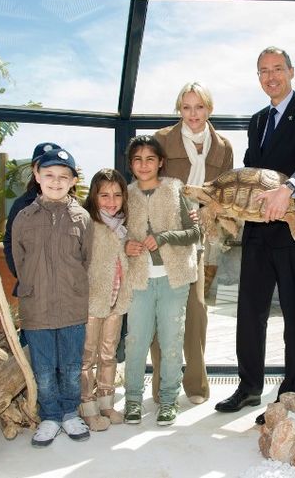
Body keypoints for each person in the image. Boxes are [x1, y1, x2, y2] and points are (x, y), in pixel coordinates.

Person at [215, 46, 295, 425]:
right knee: (250, 310)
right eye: (264, 71)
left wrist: (290, 188)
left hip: (292, 226)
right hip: (256, 228)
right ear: (259, 77)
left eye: (277, 69)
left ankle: (290, 391)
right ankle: (249, 386)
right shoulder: (258, 120)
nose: (271, 76)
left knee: (294, 311)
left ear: (291, 72)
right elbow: (251, 169)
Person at [149, 82, 234, 405]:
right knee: (163, 312)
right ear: (178, 110)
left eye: (199, 107)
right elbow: (149, 184)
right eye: (186, 108)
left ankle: (196, 386)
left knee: (196, 311)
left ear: (209, 109)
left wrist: (207, 213)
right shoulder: (161, 140)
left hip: (197, 238)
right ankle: (161, 386)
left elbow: (221, 193)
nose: (193, 114)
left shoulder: (223, 147)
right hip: (165, 236)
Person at [12, 148, 93, 447]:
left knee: (71, 366)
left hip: (72, 306)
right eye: (49, 175)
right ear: (37, 176)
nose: (56, 182)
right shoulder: (23, 217)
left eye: (63, 176)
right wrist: (35, 285)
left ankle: (70, 413)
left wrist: (69, 285)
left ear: (73, 181)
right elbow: (19, 259)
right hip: (37, 307)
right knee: (44, 368)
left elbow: (86, 259)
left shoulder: (82, 218)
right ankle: (49, 416)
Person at [121, 135, 201, 427]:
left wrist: (165, 237)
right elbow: (113, 234)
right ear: (131, 164)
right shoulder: (125, 194)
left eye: (150, 159)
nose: (144, 165)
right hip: (139, 281)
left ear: (161, 162)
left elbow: (194, 233)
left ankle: (169, 400)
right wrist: (125, 246)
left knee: (171, 341)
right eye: (138, 159)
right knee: (136, 342)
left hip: (174, 279)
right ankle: (132, 399)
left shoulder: (174, 190)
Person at [79, 168, 131, 431]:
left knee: (109, 353)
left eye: (117, 195)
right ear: (94, 196)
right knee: (87, 355)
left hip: (116, 300)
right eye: (104, 195)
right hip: (92, 301)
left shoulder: (123, 226)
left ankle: (106, 402)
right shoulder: (87, 223)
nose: (111, 202)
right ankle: (86, 405)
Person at [3, 142, 61, 293]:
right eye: (40, 165)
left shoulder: (76, 207)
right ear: (34, 170)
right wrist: (21, 272)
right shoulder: (21, 205)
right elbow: (10, 241)